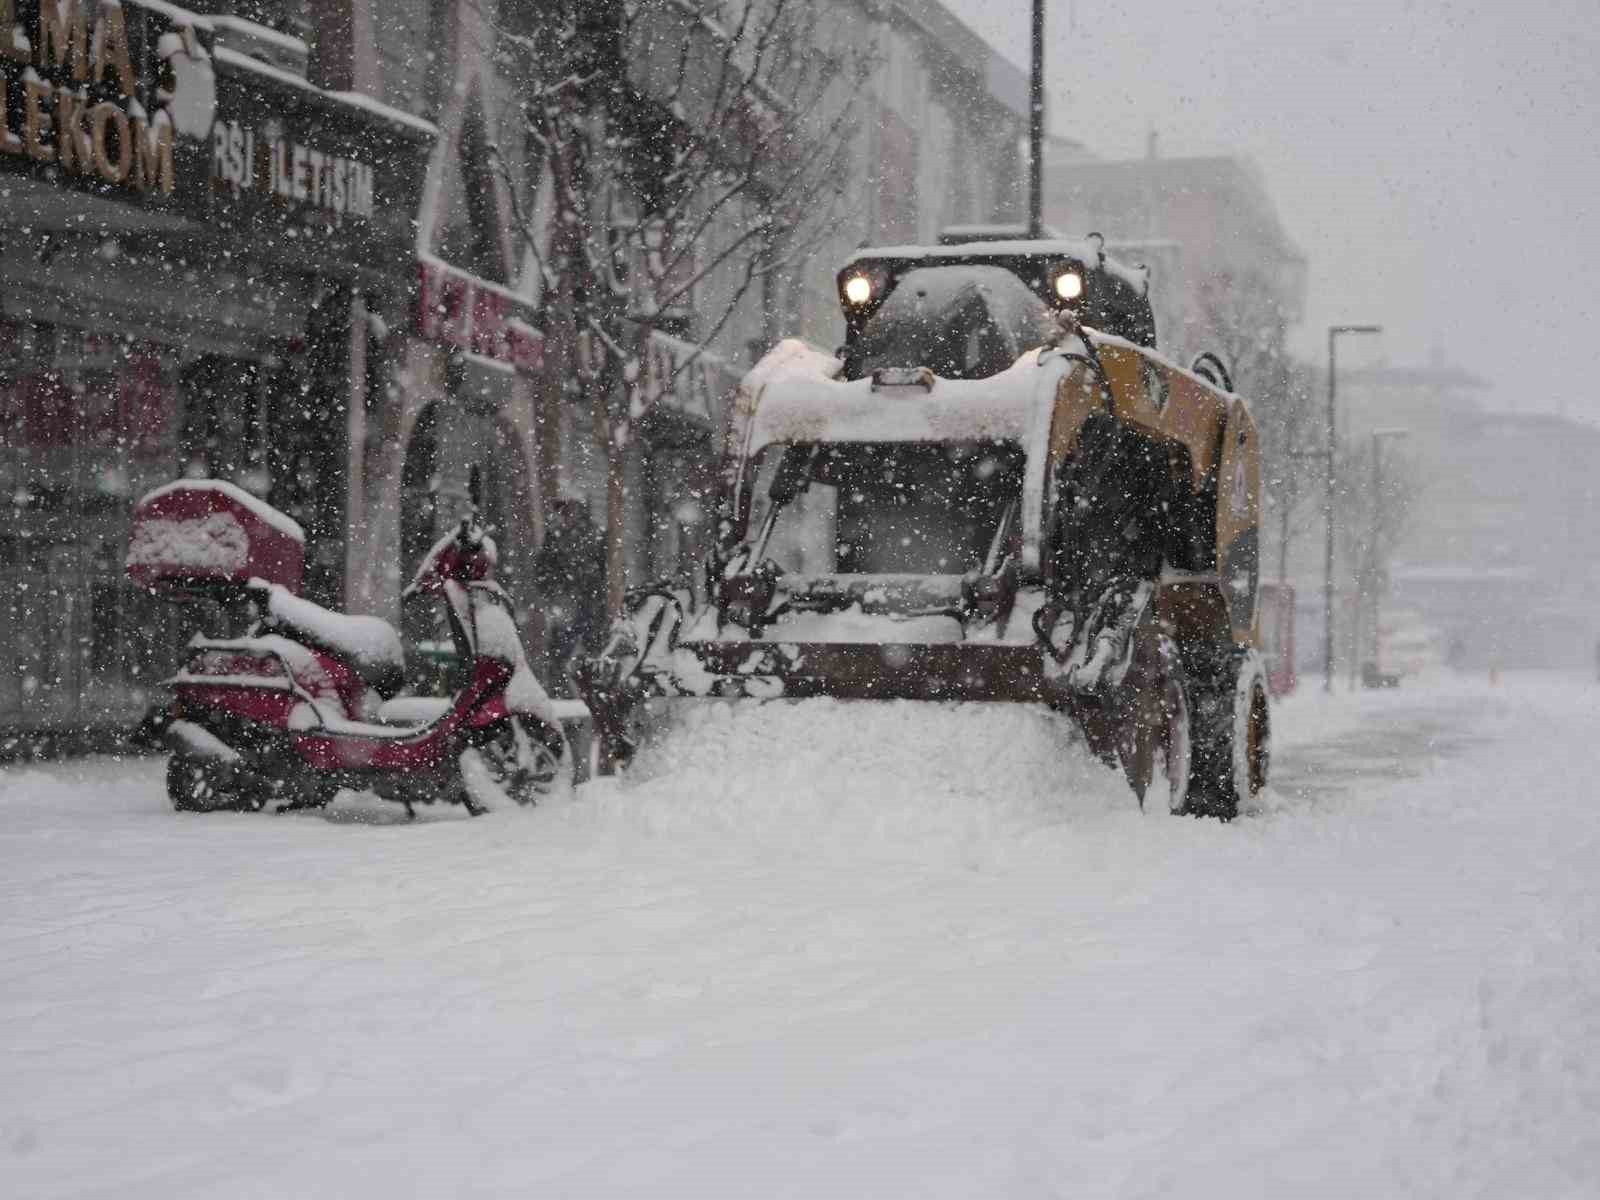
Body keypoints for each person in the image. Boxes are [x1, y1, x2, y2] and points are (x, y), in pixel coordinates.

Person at [529, 498, 608, 694]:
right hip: (564, 604)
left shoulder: (594, 535)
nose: (566, 515)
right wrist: (554, 592)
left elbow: (605, 570)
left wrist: (592, 591)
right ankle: (559, 693)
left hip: (588, 603)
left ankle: (590, 693)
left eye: (571, 510)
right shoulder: (554, 536)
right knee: (560, 652)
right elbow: (543, 570)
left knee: (591, 651)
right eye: (564, 511)